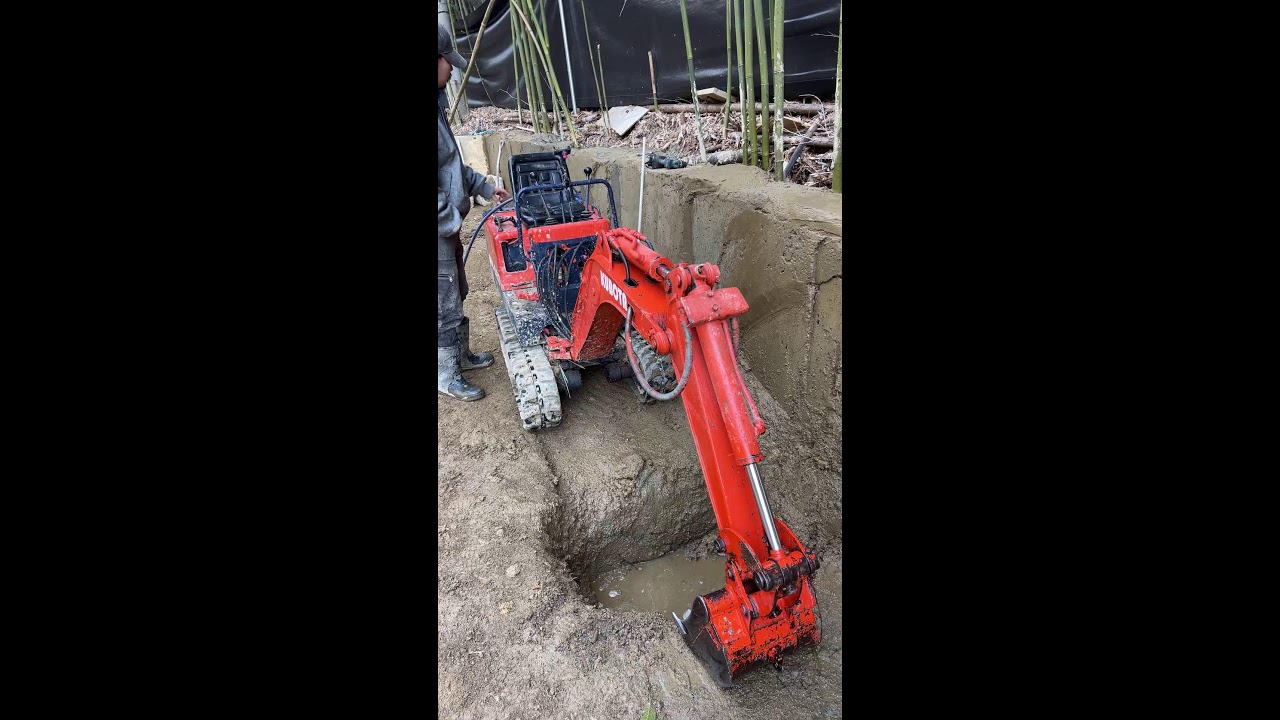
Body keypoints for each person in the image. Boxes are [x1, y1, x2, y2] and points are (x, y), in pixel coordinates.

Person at [438, 23, 509, 401]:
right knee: (442, 297)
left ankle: (460, 356)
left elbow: (450, 165)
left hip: (445, 227)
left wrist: (481, 185)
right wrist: (448, 216)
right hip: (439, 227)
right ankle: (446, 374)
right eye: (446, 62)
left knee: (456, 289)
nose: (451, 70)